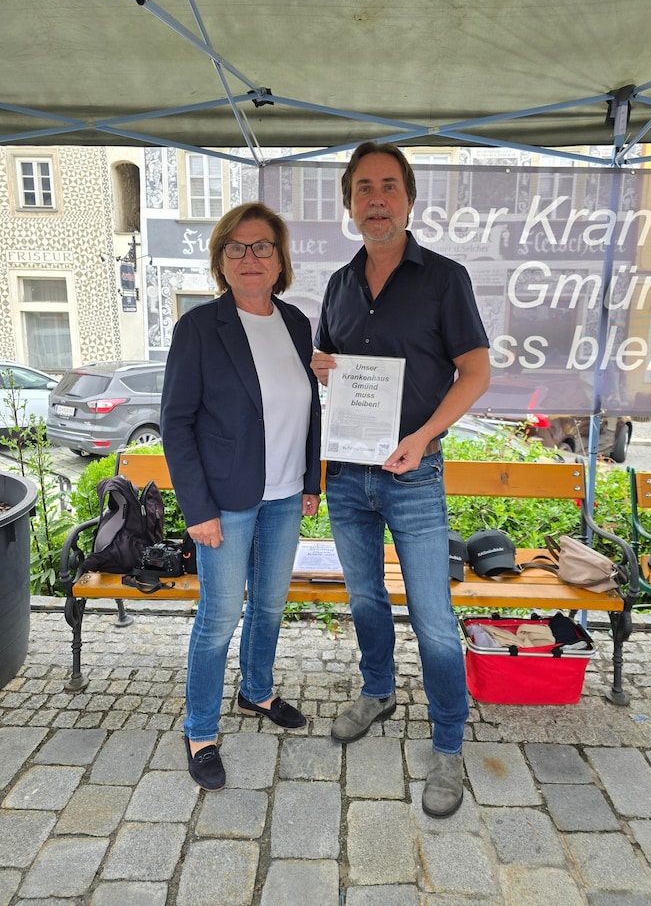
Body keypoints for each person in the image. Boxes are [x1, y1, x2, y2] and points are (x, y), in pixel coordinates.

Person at [311, 142, 490, 818]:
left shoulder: (445, 278)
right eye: (363, 188)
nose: (376, 199)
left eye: (388, 186)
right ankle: (378, 689)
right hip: (350, 478)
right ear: (350, 204)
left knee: (437, 623)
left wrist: (422, 437)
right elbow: (332, 365)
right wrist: (323, 368)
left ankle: (448, 745)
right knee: (365, 602)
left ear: (409, 199)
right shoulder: (337, 285)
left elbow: (475, 371)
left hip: (416, 476)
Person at [161, 202, 321, 791]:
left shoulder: (297, 323)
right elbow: (176, 424)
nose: (250, 258)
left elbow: (307, 409)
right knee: (219, 617)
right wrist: (197, 510)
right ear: (220, 260)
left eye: (262, 247)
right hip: (225, 502)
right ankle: (200, 729)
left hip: (283, 498)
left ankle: (256, 692)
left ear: (280, 258)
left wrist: (310, 481)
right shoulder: (200, 328)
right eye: (237, 248)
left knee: (272, 606)